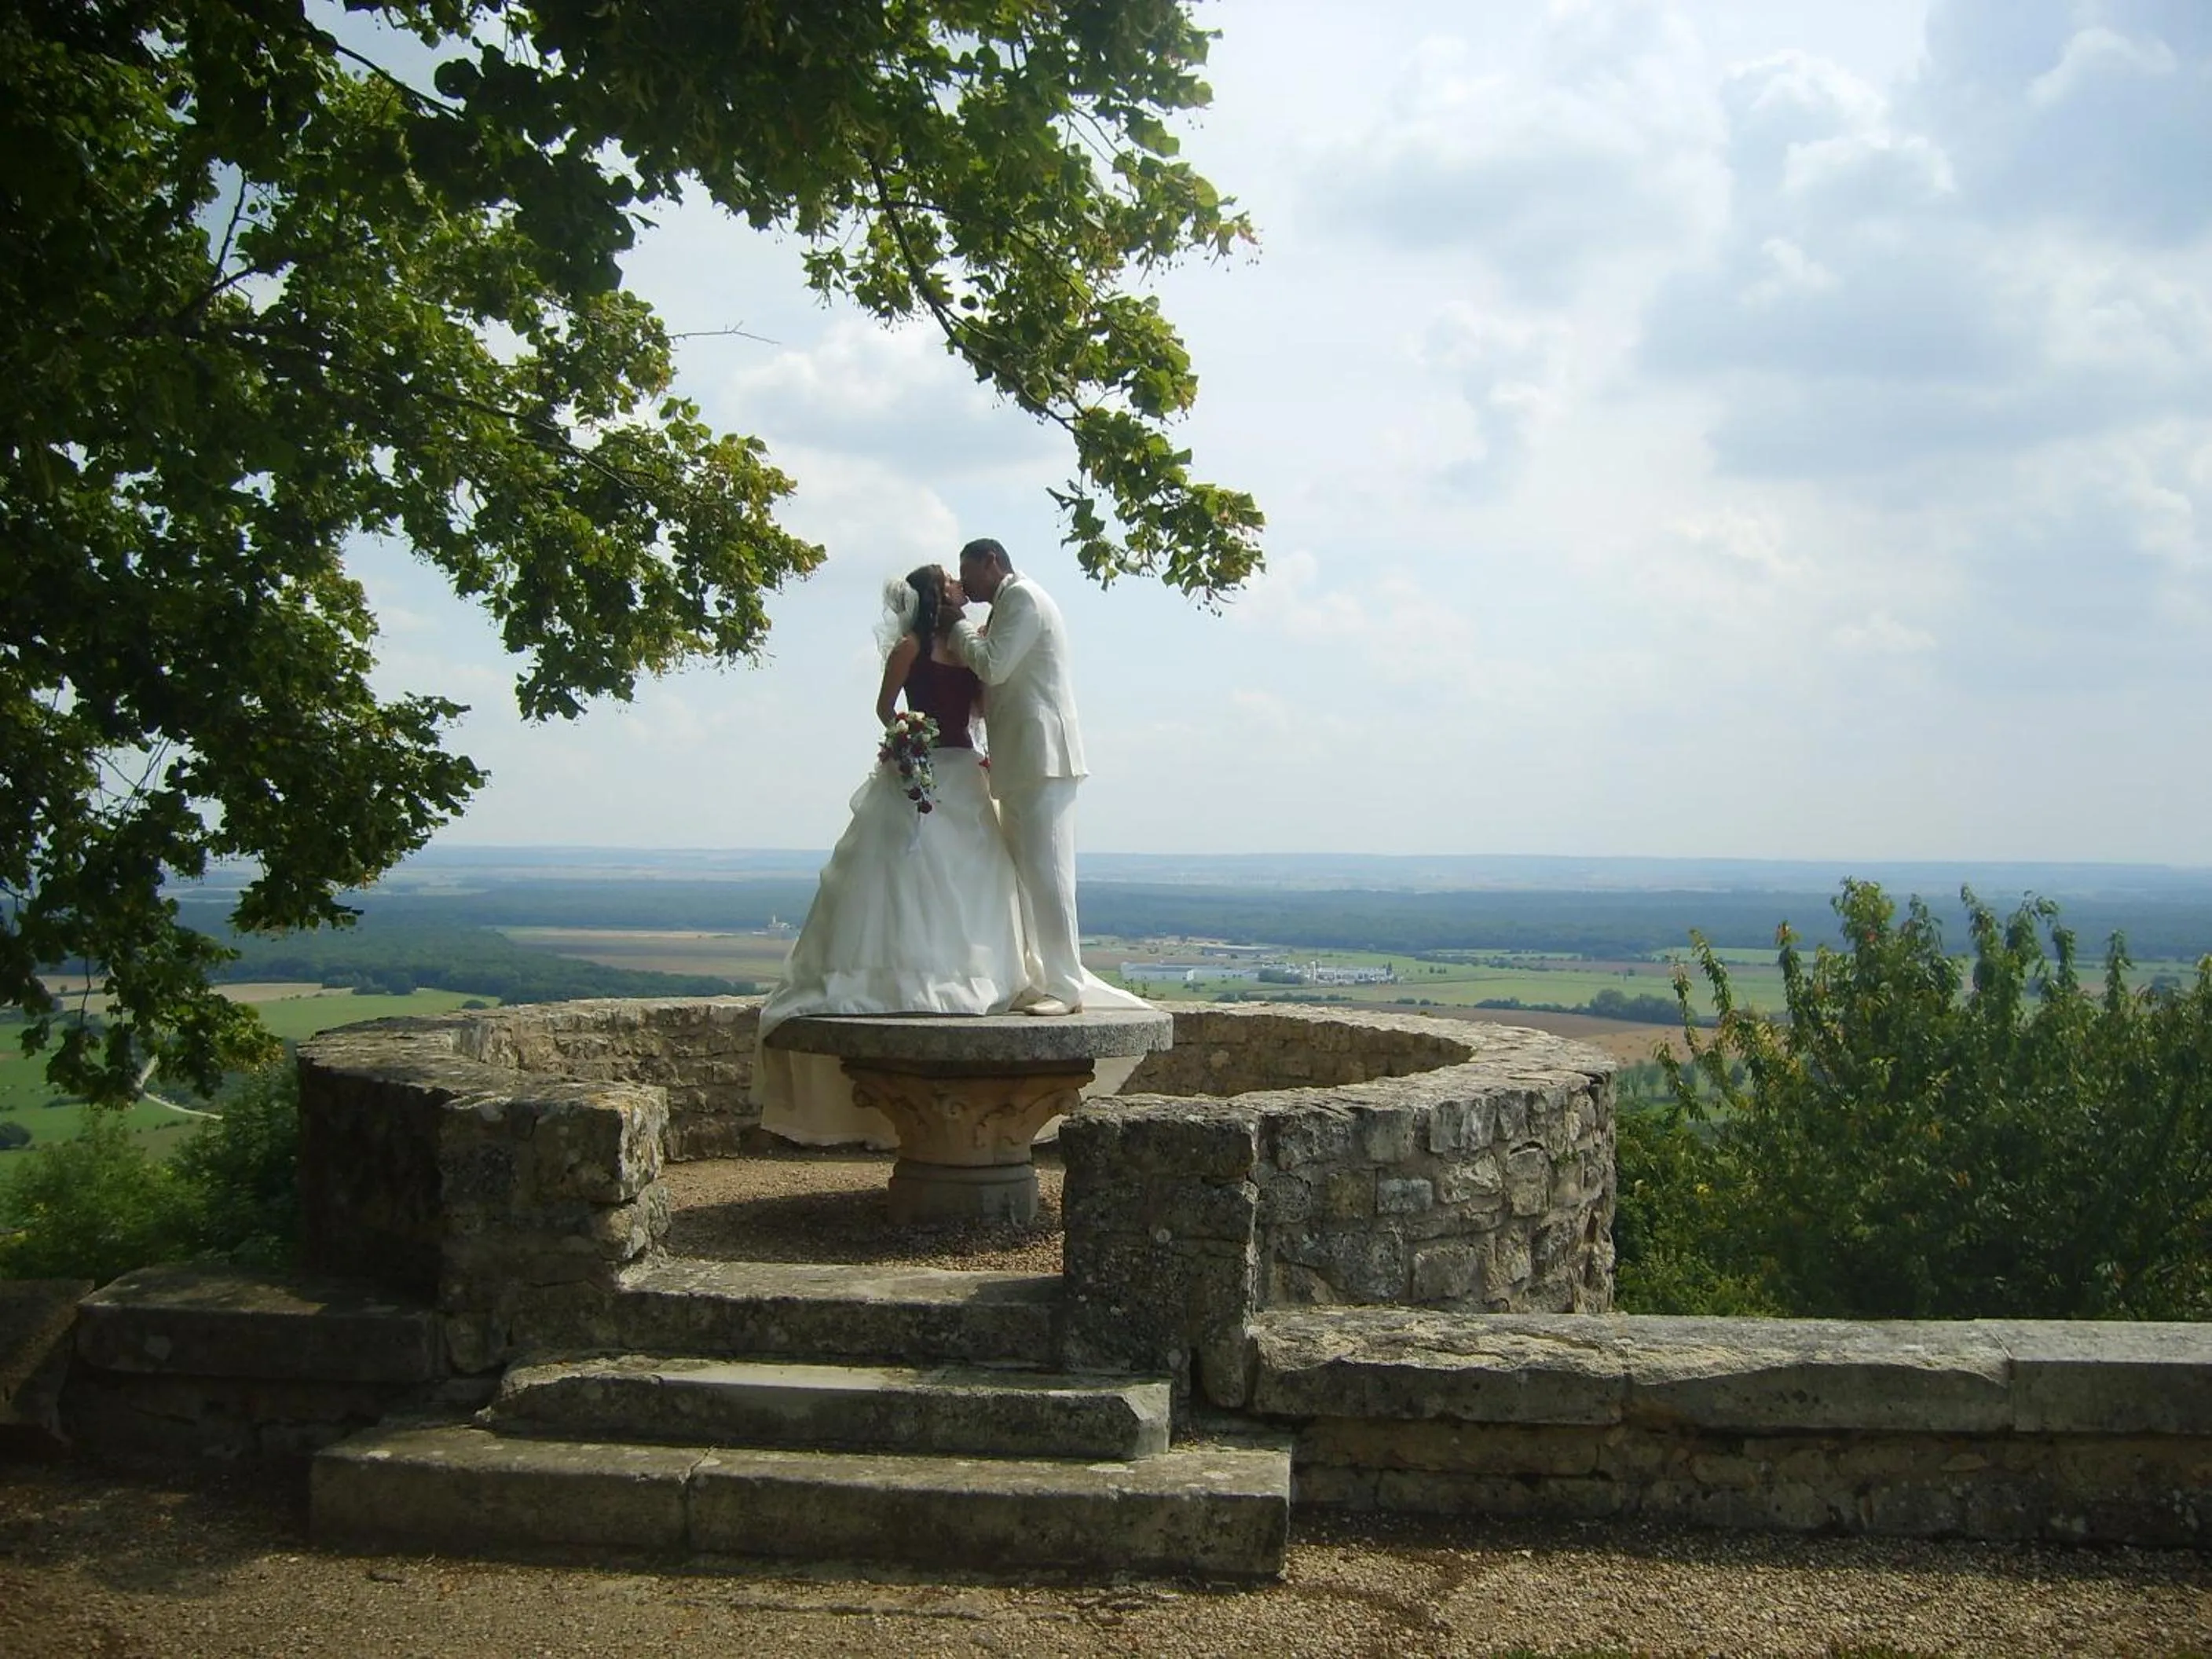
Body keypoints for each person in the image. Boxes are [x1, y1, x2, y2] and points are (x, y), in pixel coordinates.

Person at [751, 563, 1030, 1146]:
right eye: (951, 587)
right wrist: (907, 737)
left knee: (973, 875)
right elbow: (886, 706)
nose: (960, 590)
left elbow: (980, 710)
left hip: (962, 771)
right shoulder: (909, 646)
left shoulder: (969, 645)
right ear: (933, 596)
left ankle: (971, 975)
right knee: (905, 873)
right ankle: (906, 978)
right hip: (919, 768)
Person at [946, 538, 1146, 1017]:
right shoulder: (1006, 604)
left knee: (1050, 873)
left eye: (968, 571)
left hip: (1044, 757)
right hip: (1022, 759)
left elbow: (994, 666)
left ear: (992, 562)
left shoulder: (1023, 598)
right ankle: (1042, 975)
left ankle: (1065, 985)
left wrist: (956, 629)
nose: (966, 584)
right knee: (1028, 874)